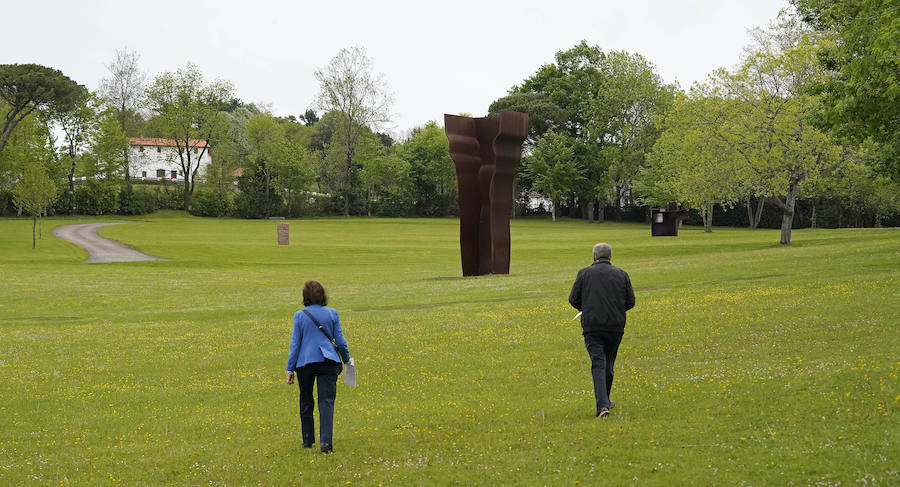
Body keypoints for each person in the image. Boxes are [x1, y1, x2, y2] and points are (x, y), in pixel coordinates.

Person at [568, 243, 635, 418]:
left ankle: (603, 405)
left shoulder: (584, 274)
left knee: (598, 363)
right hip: (615, 326)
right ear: (610, 257)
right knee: (609, 363)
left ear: (594, 257)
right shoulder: (622, 275)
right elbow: (631, 302)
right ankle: (605, 400)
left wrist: (588, 308)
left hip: (592, 326)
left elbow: (573, 299)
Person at [286, 280, 353, 453]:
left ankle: (307, 439)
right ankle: (326, 443)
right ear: (323, 295)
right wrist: (347, 360)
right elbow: (340, 341)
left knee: (306, 399)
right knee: (326, 402)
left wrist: (290, 368)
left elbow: (295, 344)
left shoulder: (299, 316)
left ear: (305, 297)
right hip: (328, 361)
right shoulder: (332, 313)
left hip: (305, 363)